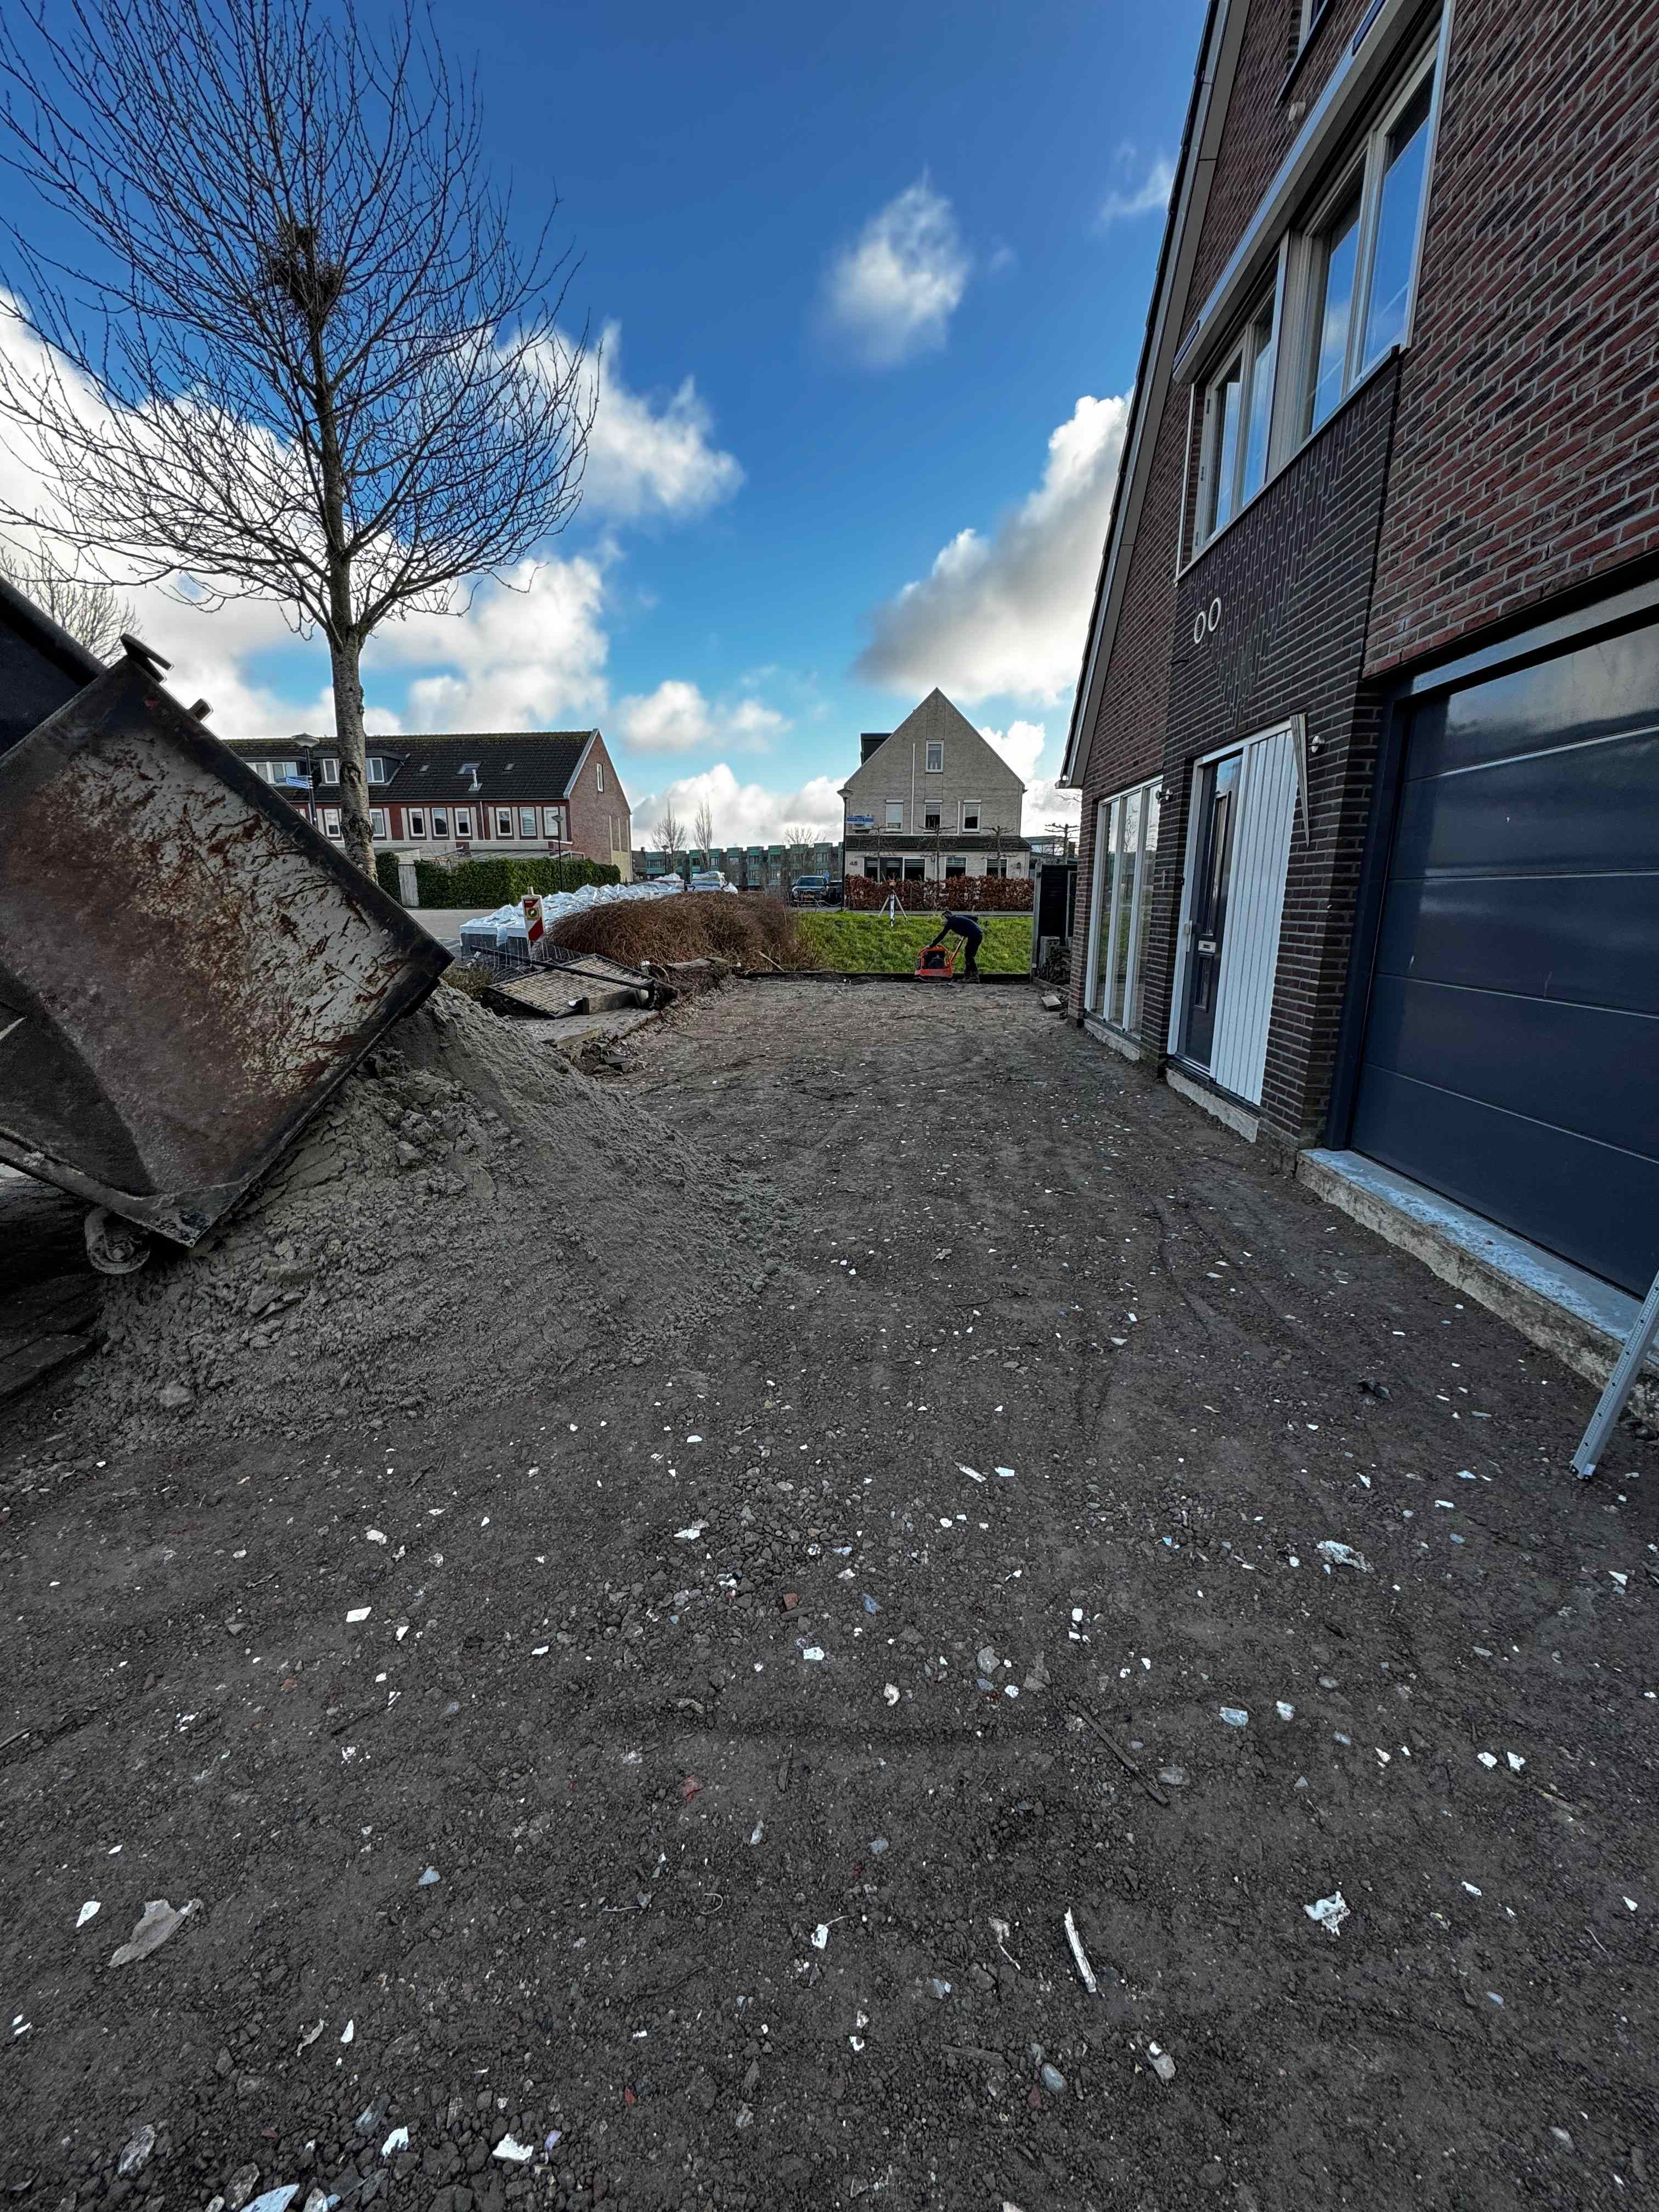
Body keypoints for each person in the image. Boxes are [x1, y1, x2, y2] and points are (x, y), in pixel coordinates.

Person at [927, 909, 983, 978]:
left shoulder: (951, 921)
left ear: (947, 917)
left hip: (974, 935)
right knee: (969, 955)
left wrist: (932, 946)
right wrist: (967, 928)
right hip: (979, 934)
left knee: (969, 956)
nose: (944, 921)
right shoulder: (958, 917)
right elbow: (975, 918)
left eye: (944, 919)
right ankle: (968, 976)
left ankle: (974, 976)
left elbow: (942, 935)